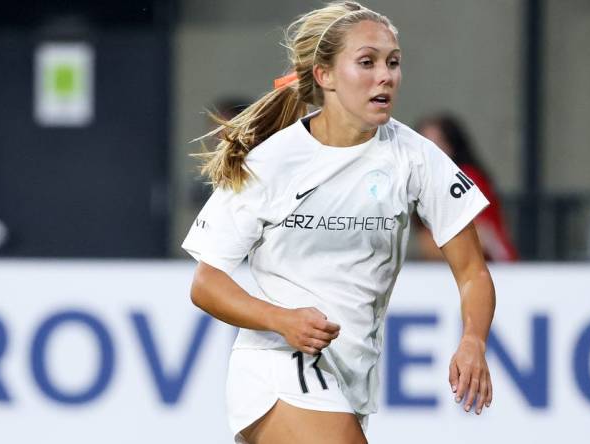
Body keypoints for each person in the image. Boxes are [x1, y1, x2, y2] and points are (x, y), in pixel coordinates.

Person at [182, 2, 497, 443]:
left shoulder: (415, 156)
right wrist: (281, 320)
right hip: (278, 368)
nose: (385, 75)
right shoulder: (271, 162)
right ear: (324, 75)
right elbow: (206, 283)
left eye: (393, 62)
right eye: (366, 62)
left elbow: (472, 272)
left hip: (351, 376)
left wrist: (473, 341)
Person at [415, 113, 518, 262]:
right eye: (424, 144)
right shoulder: (422, 185)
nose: (429, 152)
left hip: (494, 269)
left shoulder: (465, 178)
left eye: (437, 143)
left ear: (452, 146)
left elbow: (480, 239)